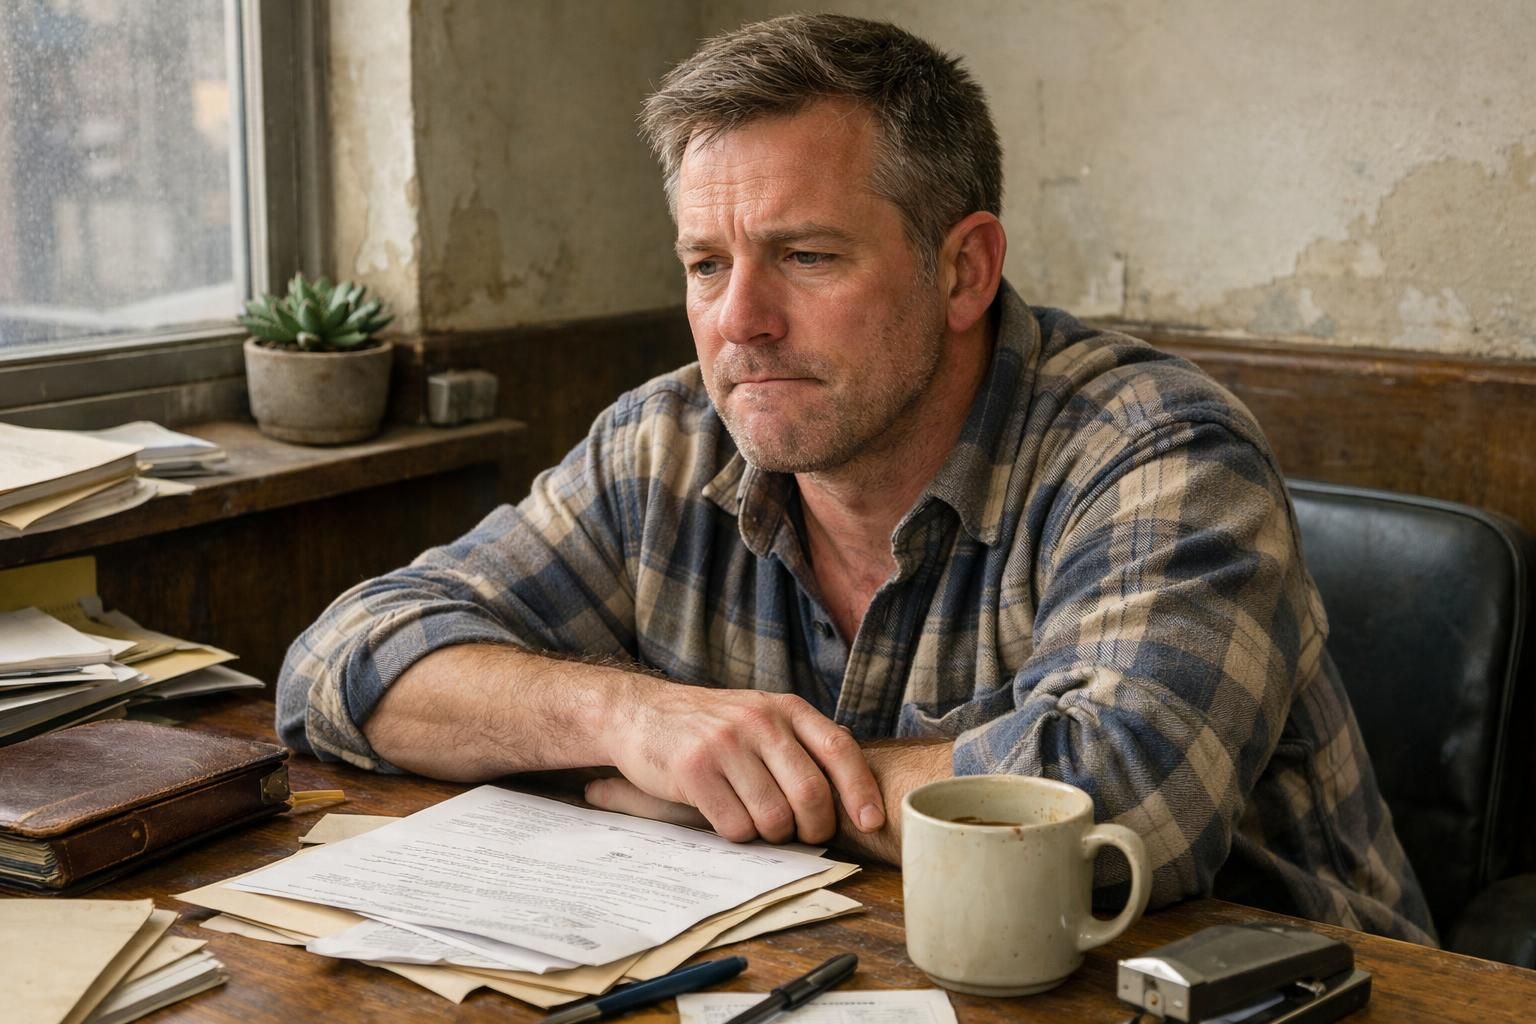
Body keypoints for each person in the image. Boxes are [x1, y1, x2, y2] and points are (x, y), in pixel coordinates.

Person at [277, 13, 1434, 944]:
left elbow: (1122, 804)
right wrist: (630, 718)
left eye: (807, 256)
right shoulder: (667, 441)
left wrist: (730, 787)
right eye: (705, 263)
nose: (739, 321)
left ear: (964, 268)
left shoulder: (1155, 447)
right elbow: (339, 664)